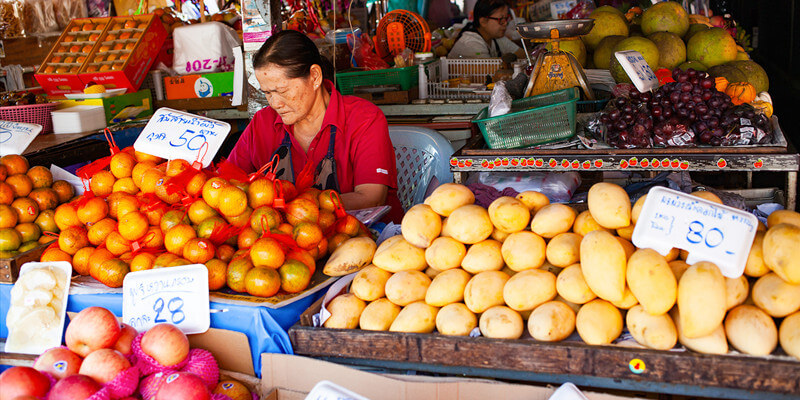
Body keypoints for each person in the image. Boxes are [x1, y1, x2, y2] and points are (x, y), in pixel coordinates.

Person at [227, 30, 402, 218]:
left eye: (283, 91)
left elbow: (371, 198)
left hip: (365, 239)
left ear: (315, 76)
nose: (275, 103)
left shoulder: (363, 119)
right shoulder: (263, 122)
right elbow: (227, 185)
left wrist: (298, 208)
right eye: (267, 93)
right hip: (283, 243)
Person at [448, 0, 526, 58]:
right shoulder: (471, 44)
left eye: (506, 18)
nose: (505, 23)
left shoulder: (496, 38)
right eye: (500, 19)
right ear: (483, 21)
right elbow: (489, 73)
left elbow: (524, 56)